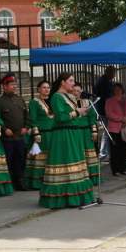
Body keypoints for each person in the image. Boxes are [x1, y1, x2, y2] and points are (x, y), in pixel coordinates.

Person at [39, 73, 95, 208]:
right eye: (70, 81)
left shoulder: (67, 96)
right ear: (62, 82)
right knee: (66, 162)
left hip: (73, 133)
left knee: (75, 163)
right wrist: (77, 112)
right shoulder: (57, 97)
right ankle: (64, 197)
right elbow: (60, 117)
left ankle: (77, 195)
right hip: (64, 135)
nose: (73, 83)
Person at [0, 73, 29, 191]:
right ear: (4, 86)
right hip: (8, 138)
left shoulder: (20, 99)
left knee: (21, 159)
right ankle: (10, 182)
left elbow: (26, 115)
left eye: (15, 84)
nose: (14, 86)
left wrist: (26, 127)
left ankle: (20, 181)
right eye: (11, 84)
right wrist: (4, 129)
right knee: (9, 160)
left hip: (20, 136)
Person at [24, 80, 54, 191]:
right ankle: (37, 182)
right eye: (44, 87)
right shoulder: (34, 102)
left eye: (48, 87)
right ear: (38, 89)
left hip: (52, 133)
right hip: (41, 134)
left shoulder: (51, 101)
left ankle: (49, 179)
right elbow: (33, 118)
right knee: (39, 158)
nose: (47, 90)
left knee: (49, 158)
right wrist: (36, 132)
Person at [74, 83, 100, 185]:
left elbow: (92, 117)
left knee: (89, 153)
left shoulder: (87, 102)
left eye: (78, 91)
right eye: (74, 90)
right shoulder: (69, 103)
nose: (76, 93)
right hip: (75, 131)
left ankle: (92, 178)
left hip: (86, 131)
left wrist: (94, 130)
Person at [105, 83, 126, 176]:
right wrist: (121, 118)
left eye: (119, 89)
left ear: (122, 90)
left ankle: (123, 169)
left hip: (125, 128)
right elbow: (109, 114)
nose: (117, 90)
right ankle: (115, 170)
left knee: (124, 149)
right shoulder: (109, 101)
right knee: (114, 150)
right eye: (115, 89)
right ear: (113, 91)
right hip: (114, 129)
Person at [93, 66, 117, 160]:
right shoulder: (104, 82)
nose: (114, 75)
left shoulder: (105, 81)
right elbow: (106, 97)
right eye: (113, 73)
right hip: (104, 110)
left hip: (104, 109)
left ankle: (105, 152)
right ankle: (103, 153)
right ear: (109, 73)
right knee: (106, 132)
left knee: (106, 132)